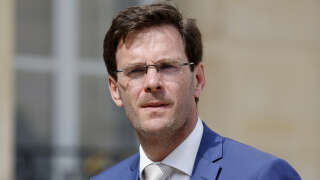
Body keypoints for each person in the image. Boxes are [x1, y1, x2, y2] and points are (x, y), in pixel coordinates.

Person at [91, 2, 301, 180]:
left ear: (198, 79)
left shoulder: (262, 175)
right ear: (115, 89)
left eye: (167, 66)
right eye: (136, 70)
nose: (152, 82)